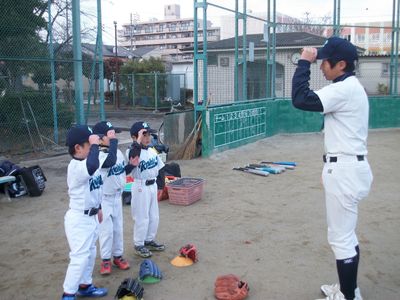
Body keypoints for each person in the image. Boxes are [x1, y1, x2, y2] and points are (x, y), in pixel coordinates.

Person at [291, 36, 373, 300]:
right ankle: (350, 290)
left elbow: (300, 98)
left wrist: (304, 62)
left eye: (326, 61)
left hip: (346, 170)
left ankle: (349, 297)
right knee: (345, 235)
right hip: (348, 167)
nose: (321, 65)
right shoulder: (348, 86)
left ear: (341, 65)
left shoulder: (345, 88)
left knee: (341, 239)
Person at [61, 125, 117, 299]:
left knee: (90, 253)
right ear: (78, 148)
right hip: (79, 218)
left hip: (92, 216)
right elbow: (92, 165)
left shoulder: (89, 161)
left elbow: (97, 185)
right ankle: (68, 294)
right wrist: (94, 146)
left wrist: (99, 207)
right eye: (90, 143)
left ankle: (85, 286)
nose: (96, 145)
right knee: (79, 258)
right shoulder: (76, 166)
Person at [92, 121, 130, 275]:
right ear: (100, 139)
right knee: (106, 231)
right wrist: (113, 143)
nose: (115, 138)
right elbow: (109, 162)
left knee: (118, 229)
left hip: (117, 197)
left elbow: (120, 171)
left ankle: (118, 256)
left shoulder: (118, 154)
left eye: (115, 135)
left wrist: (132, 166)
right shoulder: (98, 156)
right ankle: (105, 259)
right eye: (110, 136)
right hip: (104, 199)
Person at [126, 121, 165, 258]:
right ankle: (139, 244)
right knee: (142, 217)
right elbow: (134, 156)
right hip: (140, 186)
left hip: (152, 185)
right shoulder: (131, 151)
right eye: (144, 135)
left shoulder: (151, 150)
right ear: (134, 137)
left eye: (149, 134)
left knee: (154, 216)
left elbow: (160, 168)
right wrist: (137, 141)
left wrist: (161, 186)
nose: (148, 137)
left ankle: (149, 240)